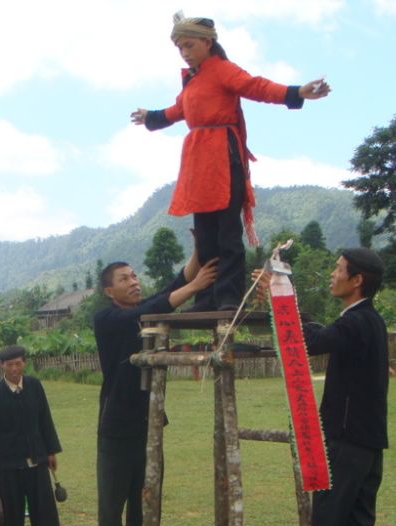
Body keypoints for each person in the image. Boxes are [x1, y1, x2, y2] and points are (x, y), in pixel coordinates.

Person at [131, 13, 329, 311]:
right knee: (206, 235)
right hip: (198, 162)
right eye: (180, 48)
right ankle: (207, 296)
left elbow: (256, 86)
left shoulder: (222, 70)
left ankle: (228, 297)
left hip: (224, 155)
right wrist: (151, 117)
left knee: (227, 231)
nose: (184, 53)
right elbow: (176, 111)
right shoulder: (192, 82)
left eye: (189, 45)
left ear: (207, 43)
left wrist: (295, 92)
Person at [94, 251, 217, 526]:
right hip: (115, 432)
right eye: (124, 279)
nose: (133, 282)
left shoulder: (142, 309)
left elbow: (171, 287)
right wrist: (195, 286)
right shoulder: (106, 318)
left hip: (149, 428)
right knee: (109, 520)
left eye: (134, 276)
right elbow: (157, 306)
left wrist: (199, 250)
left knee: (145, 514)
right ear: (108, 291)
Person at [296, 248, 390, 526]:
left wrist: (283, 305)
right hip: (368, 445)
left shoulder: (356, 322)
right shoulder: (368, 321)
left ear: (357, 280)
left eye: (338, 269)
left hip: (347, 444)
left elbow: (315, 340)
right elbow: (326, 332)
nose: (332, 275)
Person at [0, 345, 70, 526]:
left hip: (38, 460)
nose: (14, 369)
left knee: (45, 510)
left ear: (24, 363)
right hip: (9, 465)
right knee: (12, 512)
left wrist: (51, 451)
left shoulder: (35, 386)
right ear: (2, 366)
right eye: (9, 365)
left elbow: (45, 419)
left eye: (18, 364)